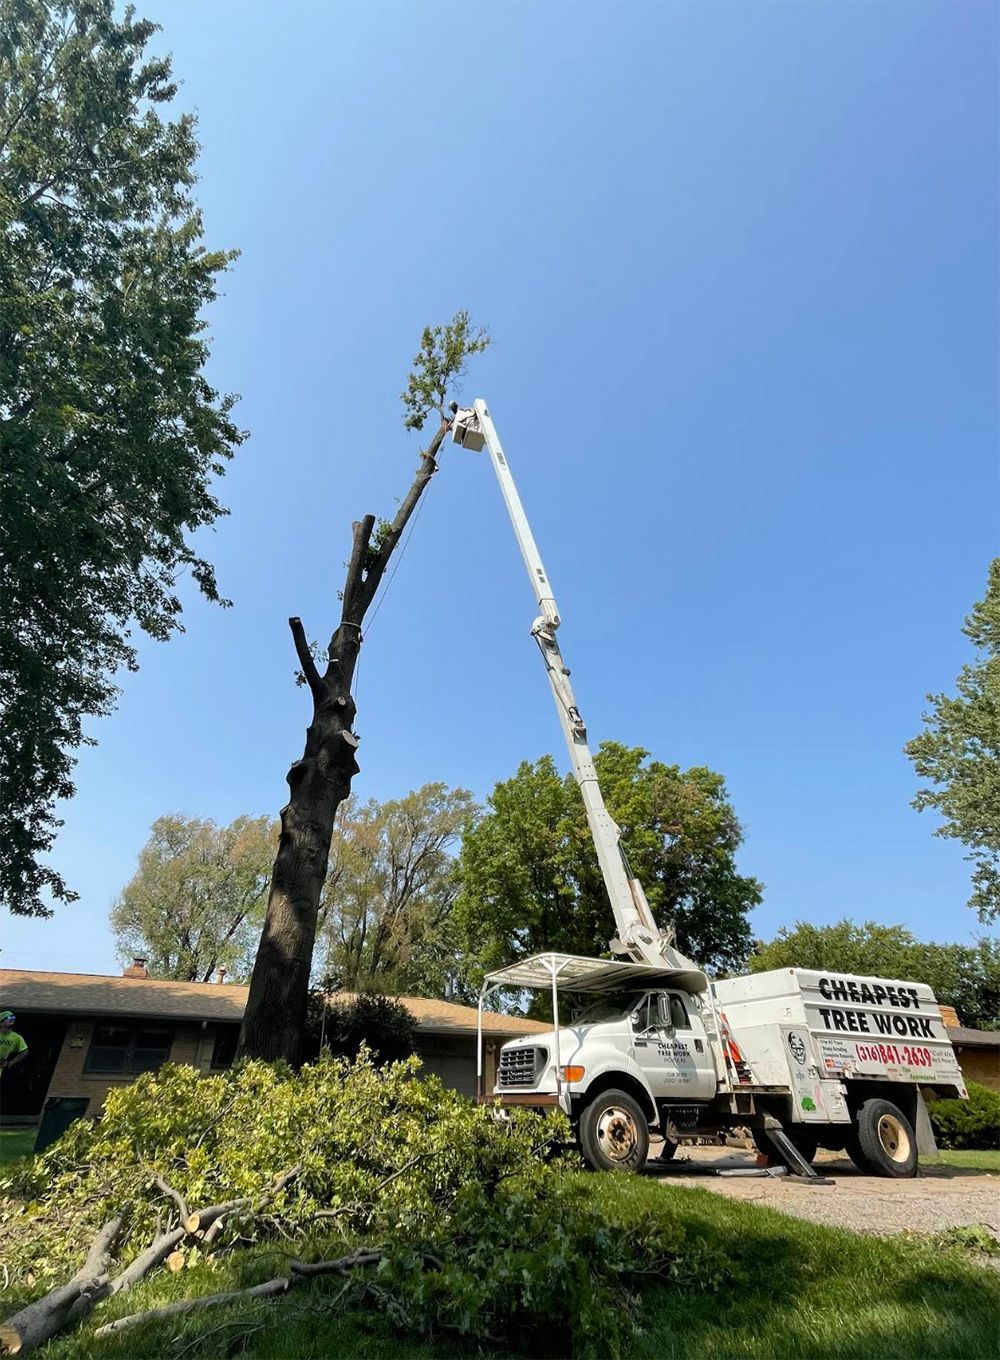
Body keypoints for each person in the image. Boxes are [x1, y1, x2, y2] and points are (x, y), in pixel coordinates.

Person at [0, 1011, 28, 1077]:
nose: (12, 1019)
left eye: (13, 1017)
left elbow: (25, 1052)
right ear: (1, 1022)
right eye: (9, 1018)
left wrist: (10, 1063)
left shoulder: (17, 1038)